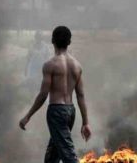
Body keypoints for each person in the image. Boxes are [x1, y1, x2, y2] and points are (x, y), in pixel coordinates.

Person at [19, 26, 91, 163]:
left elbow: (43, 94)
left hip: (56, 111)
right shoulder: (77, 65)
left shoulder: (50, 65)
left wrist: (28, 116)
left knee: (68, 156)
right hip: (71, 111)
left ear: (52, 41)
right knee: (52, 156)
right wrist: (85, 122)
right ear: (69, 42)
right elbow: (80, 96)